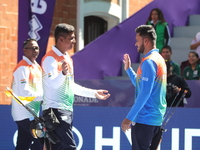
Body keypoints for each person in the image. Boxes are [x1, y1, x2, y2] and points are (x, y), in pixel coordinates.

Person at [41, 23, 110, 150]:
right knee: (69, 147)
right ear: (61, 39)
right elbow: (53, 85)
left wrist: (93, 93)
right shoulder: (50, 59)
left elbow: (70, 86)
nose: (74, 41)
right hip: (55, 110)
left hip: (66, 109)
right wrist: (62, 73)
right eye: (71, 38)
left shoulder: (67, 58)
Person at [121, 25, 167, 150]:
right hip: (156, 120)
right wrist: (129, 70)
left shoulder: (148, 61)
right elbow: (143, 87)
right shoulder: (159, 59)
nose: (135, 44)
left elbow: (144, 93)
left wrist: (128, 118)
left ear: (146, 41)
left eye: (137, 40)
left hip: (145, 120)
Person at [11, 39, 43, 150]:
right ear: (25, 50)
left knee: (23, 144)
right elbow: (24, 92)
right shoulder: (22, 67)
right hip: (23, 112)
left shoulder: (37, 67)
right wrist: (43, 96)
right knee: (40, 140)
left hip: (32, 112)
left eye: (37, 48)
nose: (35, 51)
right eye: (32, 48)